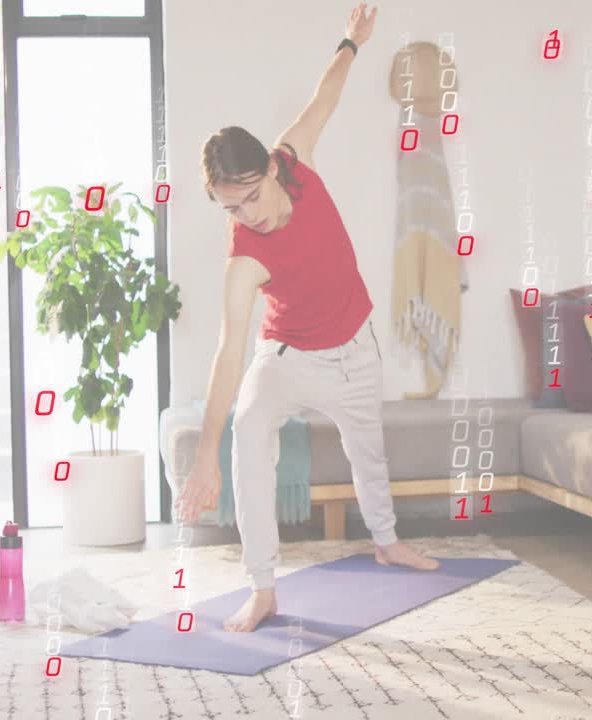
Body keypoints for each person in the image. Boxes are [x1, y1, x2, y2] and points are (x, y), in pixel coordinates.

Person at [176, 3, 441, 633]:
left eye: (249, 198)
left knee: (367, 454)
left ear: (269, 167)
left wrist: (351, 42)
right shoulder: (243, 258)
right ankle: (263, 587)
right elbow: (228, 352)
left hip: (354, 348)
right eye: (229, 209)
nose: (246, 217)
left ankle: (385, 540)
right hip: (287, 358)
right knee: (249, 432)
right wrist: (206, 454)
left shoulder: (294, 158)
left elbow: (328, 93)